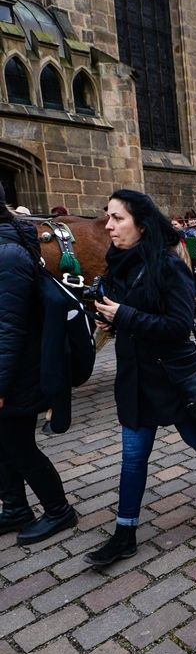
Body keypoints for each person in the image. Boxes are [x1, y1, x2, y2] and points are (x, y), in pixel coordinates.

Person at [83, 190, 196, 568]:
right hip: (135, 378)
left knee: (192, 432)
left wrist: (124, 317)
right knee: (134, 456)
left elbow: (180, 324)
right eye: (108, 216)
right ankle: (125, 533)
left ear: (142, 224)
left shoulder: (168, 266)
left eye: (118, 218)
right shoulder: (117, 262)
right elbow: (127, 316)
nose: (109, 225)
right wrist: (109, 320)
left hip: (170, 375)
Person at [0, 186, 77, 543]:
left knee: (18, 445)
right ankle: (15, 507)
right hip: (9, 367)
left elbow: (9, 327)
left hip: (17, 371)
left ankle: (59, 510)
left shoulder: (9, 254)